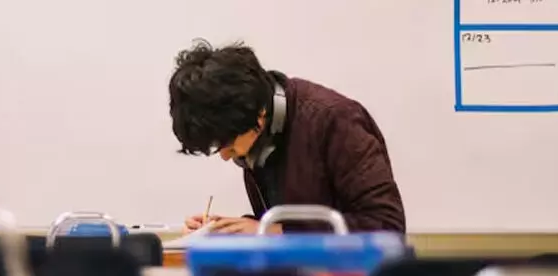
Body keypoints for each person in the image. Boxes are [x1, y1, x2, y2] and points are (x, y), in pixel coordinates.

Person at [169, 39, 405, 235]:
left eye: (228, 144)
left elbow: (387, 226)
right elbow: (291, 223)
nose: (224, 155)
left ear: (259, 114)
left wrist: (275, 231)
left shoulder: (336, 120)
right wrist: (232, 230)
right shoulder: (259, 137)